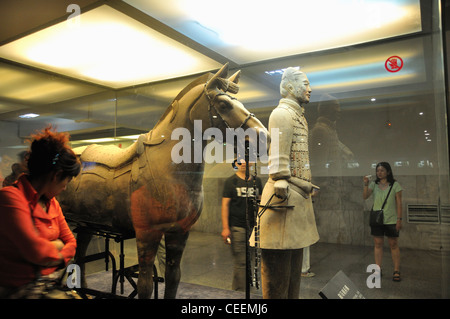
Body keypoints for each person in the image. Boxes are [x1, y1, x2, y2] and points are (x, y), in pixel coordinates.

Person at [255, 67, 320, 298]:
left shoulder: (298, 115)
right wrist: (282, 178)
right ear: (290, 87)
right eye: (305, 84)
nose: (310, 89)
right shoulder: (281, 113)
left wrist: (304, 184)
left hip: (297, 197)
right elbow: (279, 156)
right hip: (283, 199)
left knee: (293, 270)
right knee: (276, 277)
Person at [0, 126, 80, 298]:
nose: (65, 188)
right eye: (66, 181)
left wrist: (48, 255)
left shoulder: (52, 204)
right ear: (56, 175)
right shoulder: (10, 198)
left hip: (46, 286)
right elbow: (35, 251)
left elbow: (71, 244)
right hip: (17, 291)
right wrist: (58, 246)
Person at [221, 159, 262, 291]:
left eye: (247, 160)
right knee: (241, 262)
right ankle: (240, 293)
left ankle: (241, 289)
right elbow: (225, 205)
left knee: (248, 261)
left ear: (252, 163)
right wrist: (226, 228)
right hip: (237, 227)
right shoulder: (230, 182)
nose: (244, 162)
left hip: (253, 227)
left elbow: (260, 203)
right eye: (240, 161)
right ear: (236, 163)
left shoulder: (257, 181)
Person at [363, 162, 403, 282]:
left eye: (382, 170)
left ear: (388, 172)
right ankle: (378, 269)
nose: (379, 173)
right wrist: (365, 185)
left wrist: (399, 219)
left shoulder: (395, 185)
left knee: (393, 244)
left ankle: (396, 270)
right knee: (378, 244)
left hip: (391, 219)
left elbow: (399, 203)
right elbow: (365, 196)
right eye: (378, 170)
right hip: (377, 220)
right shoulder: (374, 185)